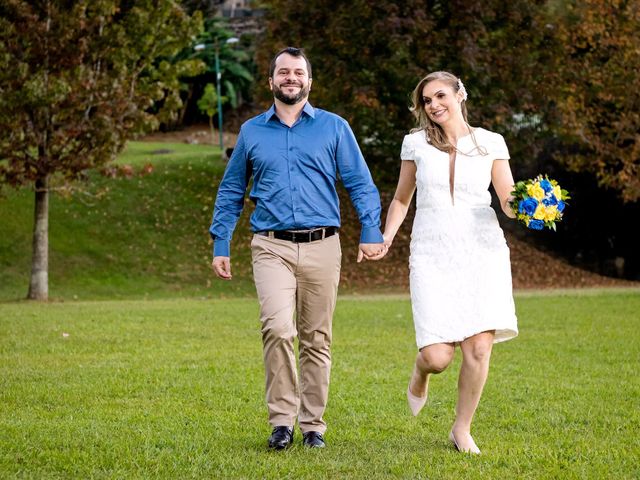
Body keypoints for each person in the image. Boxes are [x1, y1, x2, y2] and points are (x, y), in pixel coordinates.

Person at [209, 47, 386, 450]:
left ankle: (313, 427)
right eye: (283, 72)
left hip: (324, 245)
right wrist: (222, 241)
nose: (291, 78)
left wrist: (371, 230)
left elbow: (359, 182)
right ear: (271, 81)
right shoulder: (253, 131)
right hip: (270, 246)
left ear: (309, 81)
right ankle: (281, 422)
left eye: (298, 72)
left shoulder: (334, 127)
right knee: (277, 328)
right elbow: (232, 188)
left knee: (316, 338)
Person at [373, 71, 519, 454]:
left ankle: (461, 429)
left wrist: (531, 206)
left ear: (460, 95)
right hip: (432, 251)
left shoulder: (491, 142)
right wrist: (386, 237)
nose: (434, 105)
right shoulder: (415, 144)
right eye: (426, 101)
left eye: (440, 96)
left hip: (483, 250)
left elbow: (507, 200)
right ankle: (420, 372)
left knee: (479, 348)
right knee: (438, 357)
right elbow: (402, 199)